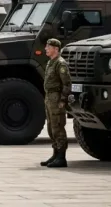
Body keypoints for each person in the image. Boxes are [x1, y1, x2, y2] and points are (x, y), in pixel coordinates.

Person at [41, 38, 71, 168]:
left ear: (56, 49)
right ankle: (55, 154)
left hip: (57, 98)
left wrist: (63, 100)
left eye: (48, 47)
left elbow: (67, 83)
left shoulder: (60, 63)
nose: (46, 49)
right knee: (51, 127)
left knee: (58, 127)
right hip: (49, 98)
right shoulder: (50, 62)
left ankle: (61, 157)